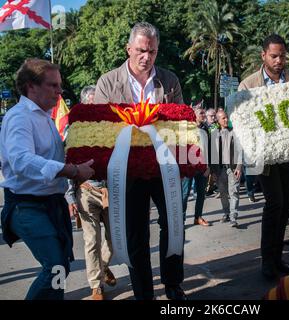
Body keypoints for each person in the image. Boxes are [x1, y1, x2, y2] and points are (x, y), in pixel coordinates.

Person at [94, 22, 186, 300]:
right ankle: (144, 293)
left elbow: (181, 123)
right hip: (127, 171)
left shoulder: (169, 81)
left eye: (153, 52)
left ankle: (172, 283)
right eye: (141, 51)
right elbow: (100, 128)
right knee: (136, 235)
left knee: (174, 225)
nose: (147, 57)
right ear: (128, 48)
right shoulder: (108, 82)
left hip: (164, 167)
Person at [0, 58, 95, 300]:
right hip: (27, 205)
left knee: (59, 266)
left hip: (49, 203)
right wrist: (73, 170)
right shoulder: (20, 117)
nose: (60, 91)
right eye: (53, 85)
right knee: (55, 265)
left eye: (59, 85)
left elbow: (51, 159)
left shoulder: (44, 116)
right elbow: (21, 160)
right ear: (31, 86)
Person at [238, 34, 289, 279]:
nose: (279, 60)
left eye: (282, 56)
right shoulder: (247, 85)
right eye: (274, 56)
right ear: (263, 55)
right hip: (262, 155)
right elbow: (241, 122)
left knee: (285, 204)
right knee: (274, 203)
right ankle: (266, 261)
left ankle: (277, 258)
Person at [65, 85, 116, 300]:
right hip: (86, 191)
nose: (98, 105)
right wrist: (69, 196)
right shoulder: (74, 130)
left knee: (115, 239)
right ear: (85, 103)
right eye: (94, 101)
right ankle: (96, 286)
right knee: (91, 240)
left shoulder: (112, 126)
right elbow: (67, 162)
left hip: (110, 191)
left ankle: (102, 267)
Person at [210, 110, 242, 228]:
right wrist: (212, 172)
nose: (226, 119)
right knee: (223, 193)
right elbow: (212, 155)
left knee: (234, 192)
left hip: (232, 168)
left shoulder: (234, 133)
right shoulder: (214, 135)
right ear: (218, 121)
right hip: (220, 170)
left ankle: (233, 217)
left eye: (226, 117)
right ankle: (226, 213)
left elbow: (240, 151)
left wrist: (239, 166)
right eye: (223, 118)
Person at [181, 107, 211, 226]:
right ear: (194, 115)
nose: (204, 115)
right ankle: (181, 220)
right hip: (189, 168)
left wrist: (208, 167)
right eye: (201, 113)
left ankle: (198, 217)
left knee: (201, 194)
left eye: (204, 113)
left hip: (202, 168)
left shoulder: (205, 131)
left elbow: (208, 150)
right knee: (184, 194)